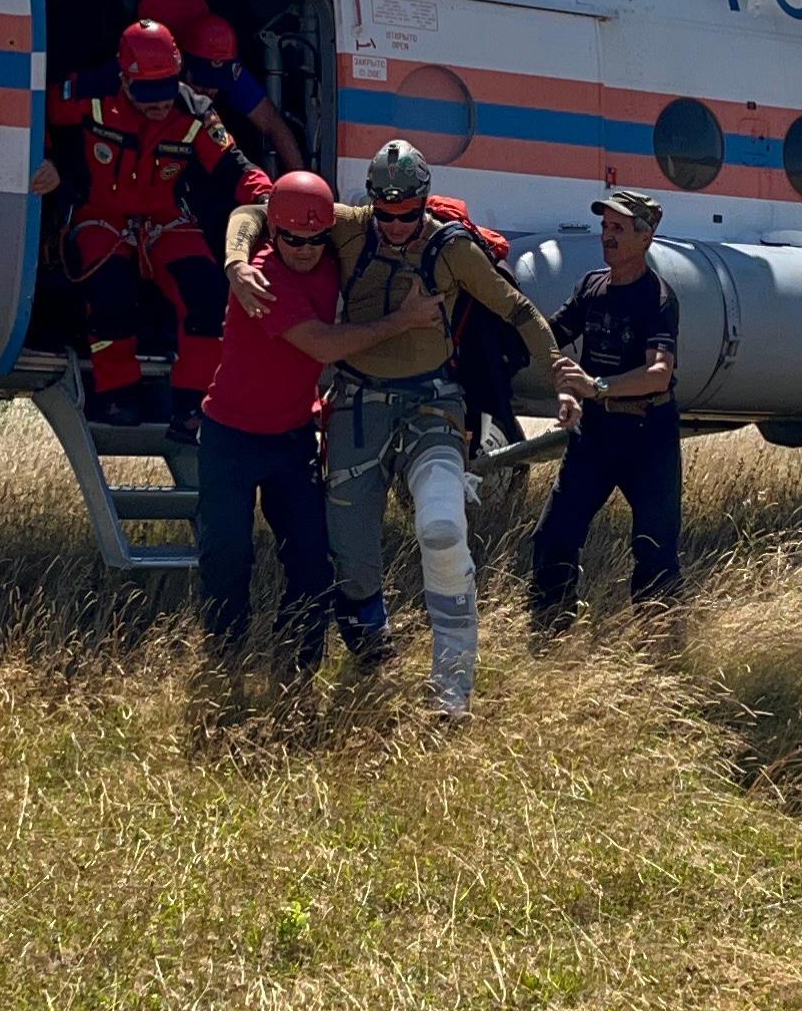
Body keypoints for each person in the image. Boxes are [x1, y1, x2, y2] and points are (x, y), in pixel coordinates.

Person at [226, 138, 571, 717]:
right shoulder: (349, 228)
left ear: (424, 202)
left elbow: (515, 308)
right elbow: (254, 213)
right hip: (359, 405)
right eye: (384, 213)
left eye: (406, 214)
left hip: (431, 404)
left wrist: (558, 368)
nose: (393, 227)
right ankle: (371, 656)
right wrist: (237, 263)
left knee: (441, 527)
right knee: (352, 561)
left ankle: (452, 689)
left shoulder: (450, 248)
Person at [194, 170, 442, 673]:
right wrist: (403, 321)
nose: (306, 249)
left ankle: (298, 667)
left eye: (315, 239)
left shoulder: (332, 259)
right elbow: (324, 346)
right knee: (226, 557)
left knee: (311, 562)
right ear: (274, 232)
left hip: (292, 440)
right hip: (231, 438)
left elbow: (391, 223)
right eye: (293, 239)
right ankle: (226, 661)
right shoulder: (263, 275)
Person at [32, 18, 271, 437]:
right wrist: (47, 160)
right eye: (148, 92)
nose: (160, 103)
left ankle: (193, 406)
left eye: (166, 88)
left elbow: (234, 168)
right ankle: (116, 394)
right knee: (110, 290)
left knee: (208, 292)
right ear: (124, 79)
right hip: (100, 214)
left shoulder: (195, 111)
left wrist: (271, 198)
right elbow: (36, 113)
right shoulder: (89, 92)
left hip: (164, 219)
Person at [527, 187, 687, 635]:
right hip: (596, 435)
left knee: (655, 550)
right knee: (553, 536)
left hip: (648, 436)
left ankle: (660, 647)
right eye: (604, 226)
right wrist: (564, 388)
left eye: (618, 228)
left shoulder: (659, 298)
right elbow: (550, 337)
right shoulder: (590, 287)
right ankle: (550, 634)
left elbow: (658, 374)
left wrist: (596, 387)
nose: (607, 235)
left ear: (645, 237)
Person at [140, 0, 305, 171]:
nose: (209, 92)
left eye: (217, 83)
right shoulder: (150, 77)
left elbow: (273, 126)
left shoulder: (232, 72)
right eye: (203, 83)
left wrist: (300, 178)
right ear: (182, 67)